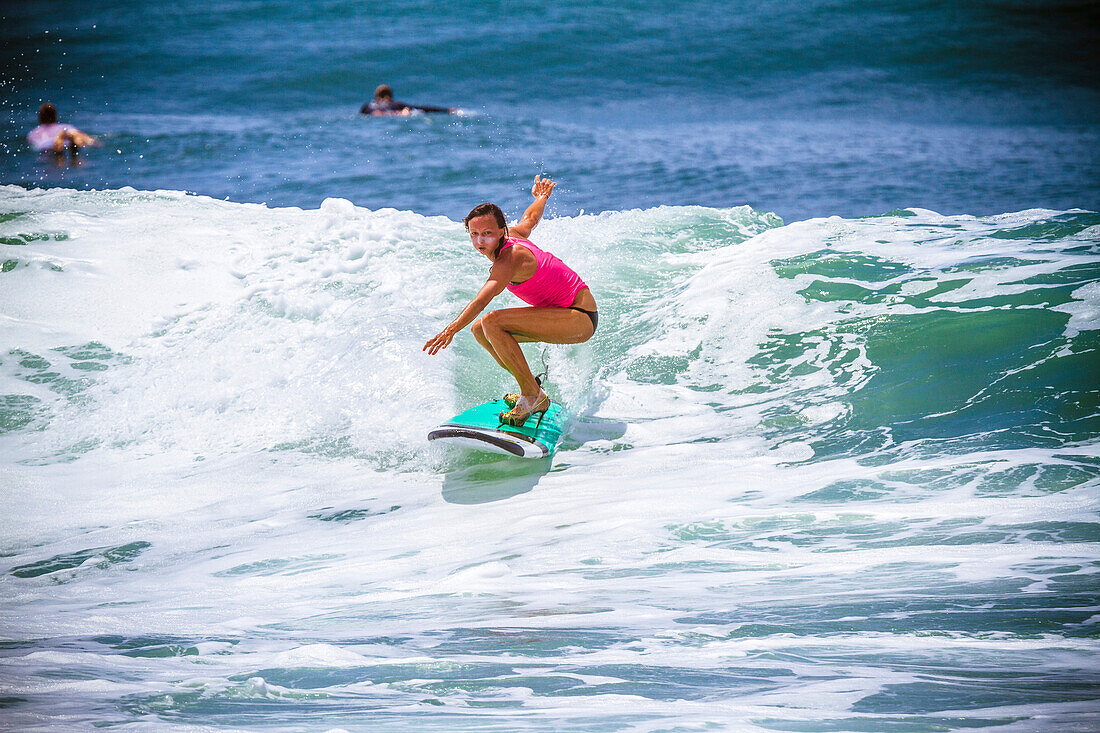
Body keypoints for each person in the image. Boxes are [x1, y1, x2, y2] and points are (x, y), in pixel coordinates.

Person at [424, 176, 598, 427]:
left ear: (501, 232)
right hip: (563, 314)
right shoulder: (514, 234)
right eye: (474, 234)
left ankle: (532, 396)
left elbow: (482, 301)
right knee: (480, 330)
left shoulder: (509, 258)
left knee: (492, 321)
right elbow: (530, 219)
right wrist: (541, 197)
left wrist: (450, 330)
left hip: (579, 316)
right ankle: (531, 388)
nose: (480, 241)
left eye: (487, 234)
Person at [26, 103, 98, 156]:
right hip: (65, 140)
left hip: (45, 146)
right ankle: (69, 142)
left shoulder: (33, 133)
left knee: (57, 157)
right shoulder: (65, 126)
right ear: (55, 116)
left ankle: (59, 142)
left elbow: (32, 145)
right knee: (75, 136)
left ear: (40, 117)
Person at [360, 84, 456, 116]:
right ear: (391, 95)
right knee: (406, 111)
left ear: (376, 96)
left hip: (376, 113)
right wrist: (446, 110)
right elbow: (422, 108)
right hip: (394, 113)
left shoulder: (367, 106)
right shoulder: (396, 104)